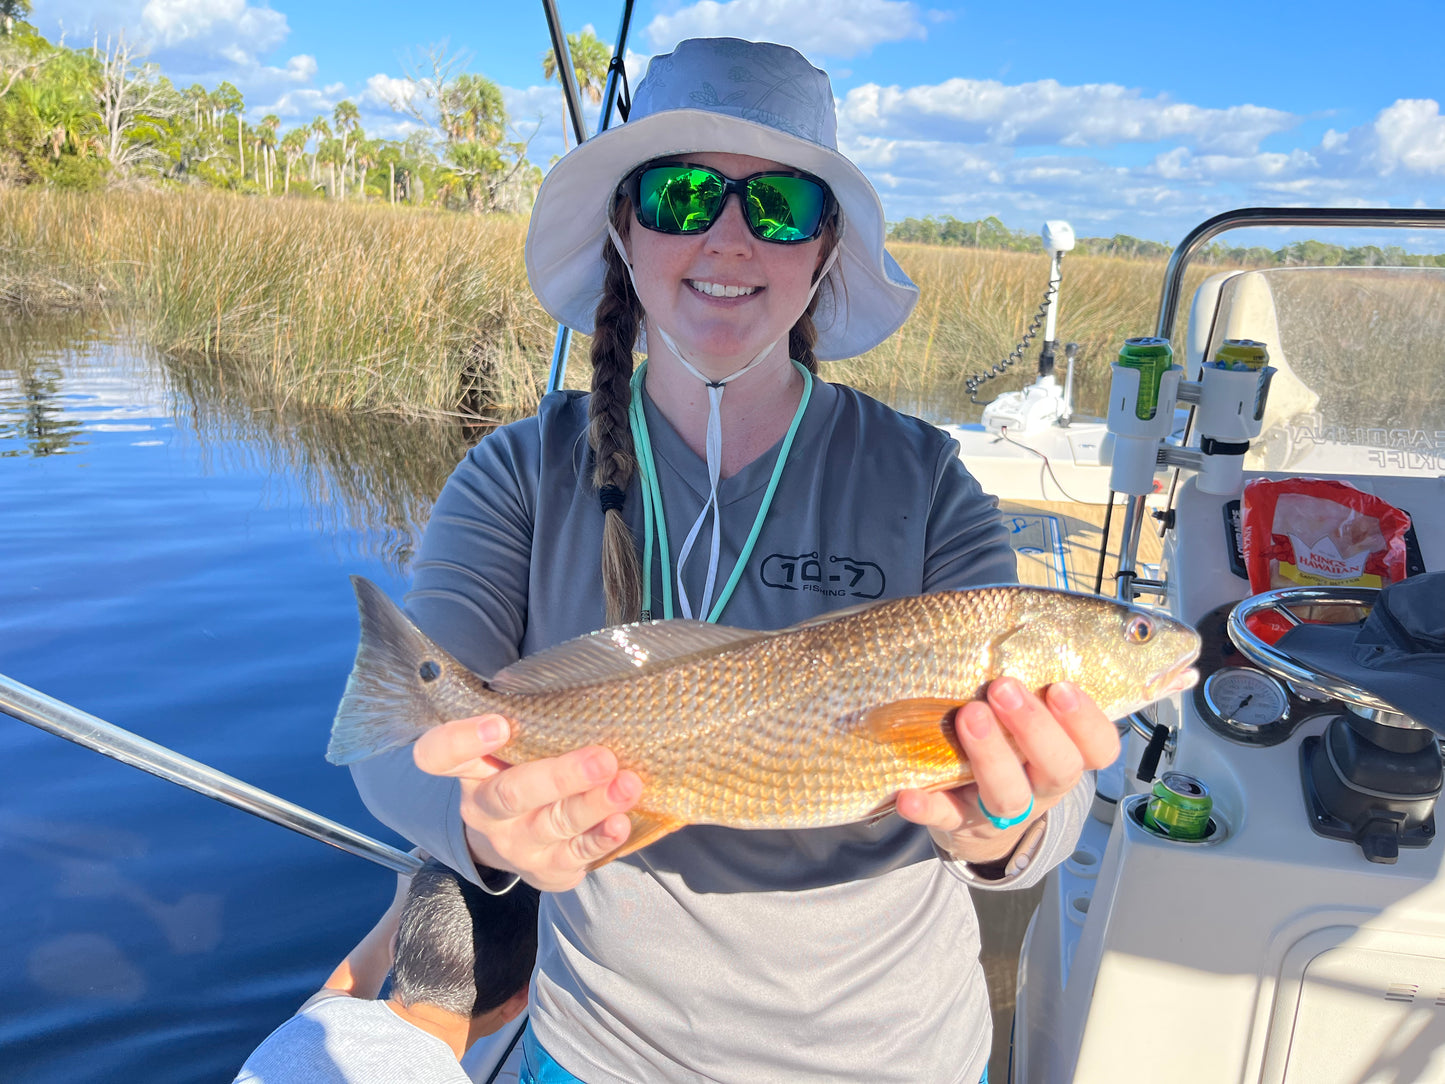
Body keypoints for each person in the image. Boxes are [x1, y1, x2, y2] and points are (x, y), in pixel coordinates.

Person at [349, 36, 1120, 1084]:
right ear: (625, 228)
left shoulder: (926, 480)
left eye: (779, 207)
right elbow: (397, 738)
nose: (727, 238)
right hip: (600, 1052)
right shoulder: (518, 473)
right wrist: (485, 828)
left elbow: (1052, 813)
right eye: (678, 194)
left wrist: (1002, 814)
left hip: (891, 1056)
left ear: (823, 247)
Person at [234, 860, 538, 1083]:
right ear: (518, 1002)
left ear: (395, 949)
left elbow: (340, 993)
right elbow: (341, 991)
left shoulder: (309, 1026)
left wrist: (403, 899)